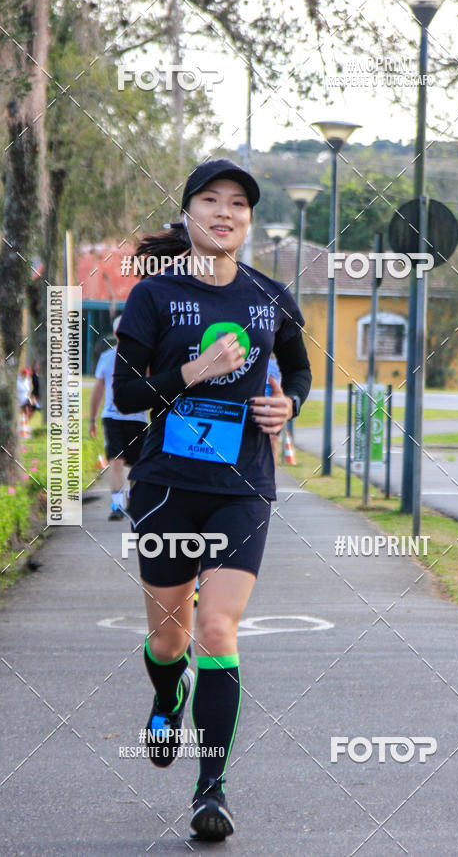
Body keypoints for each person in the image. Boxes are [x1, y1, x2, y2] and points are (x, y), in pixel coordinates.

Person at [112, 158, 311, 842]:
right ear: (190, 214)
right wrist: (195, 370)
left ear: (249, 221)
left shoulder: (272, 297)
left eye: (238, 204)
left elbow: (301, 373)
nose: (224, 212)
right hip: (166, 486)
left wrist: (288, 406)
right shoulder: (154, 298)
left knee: (218, 631)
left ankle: (211, 789)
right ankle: (168, 695)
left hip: (243, 486)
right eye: (210, 200)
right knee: (170, 639)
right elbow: (126, 396)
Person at [89, 316, 149, 519]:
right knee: (115, 460)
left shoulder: (144, 358)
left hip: (137, 418)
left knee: (137, 465)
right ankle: (117, 505)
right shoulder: (106, 357)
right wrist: (91, 419)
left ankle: (134, 501)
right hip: (112, 417)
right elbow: (98, 390)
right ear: (115, 334)